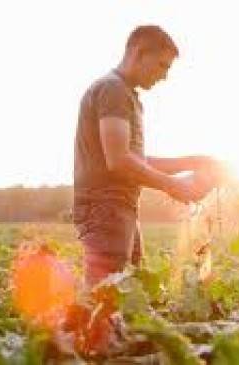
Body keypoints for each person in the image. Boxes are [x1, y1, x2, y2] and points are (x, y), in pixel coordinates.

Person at [73, 25, 221, 291]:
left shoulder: (124, 93)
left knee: (126, 292)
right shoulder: (113, 90)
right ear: (139, 53)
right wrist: (174, 186)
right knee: (103, 298)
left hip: (119, 207)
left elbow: (134, 158)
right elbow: (118, 161)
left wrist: (190, 162)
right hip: (106, 208)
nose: (164, 76)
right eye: (162, 65)